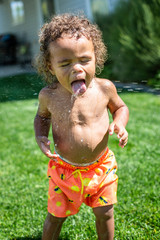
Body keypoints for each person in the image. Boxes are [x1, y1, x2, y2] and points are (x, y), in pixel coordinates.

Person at [34, 13, 129, 240]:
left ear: (96, 57)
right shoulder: (49, 96)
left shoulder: (105, 88)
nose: (77, 69)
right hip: (65, 172)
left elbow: (120, 108)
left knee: (105, 214)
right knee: (55, 217)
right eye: (65, 63)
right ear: (50, 65)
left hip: (101, 168)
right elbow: (42, 117)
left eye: (84, 60)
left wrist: (119, 123)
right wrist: (41, 136)